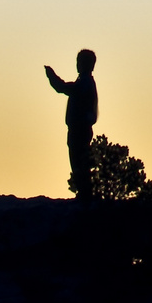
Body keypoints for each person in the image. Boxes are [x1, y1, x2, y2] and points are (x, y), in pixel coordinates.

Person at [45, 49, 98, 199]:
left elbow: (63, 88)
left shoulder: (85, 83)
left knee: (79, 162)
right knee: (78, 163)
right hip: (78, 129)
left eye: (80, 62)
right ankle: (84, 193)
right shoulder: (84, 82)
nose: (78, 65)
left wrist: (51, 76)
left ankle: (85, 195)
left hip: (80, 130)